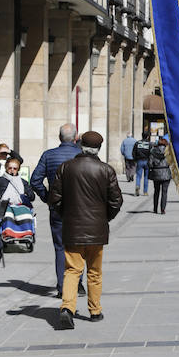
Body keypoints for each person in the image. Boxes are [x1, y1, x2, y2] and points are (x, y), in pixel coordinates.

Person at [48, 131, 123, 329]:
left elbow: (54, 199)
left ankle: (67, 308)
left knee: (72, 270)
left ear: (80, 145)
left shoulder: (66, 168)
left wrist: (66, 216)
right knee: (95, 272)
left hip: (72, 228)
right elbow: (116, 201)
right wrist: (104, 218)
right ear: (99, 148)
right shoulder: (106, 170)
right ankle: (95, 310)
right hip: (96, 230)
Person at [31, 124, 82, 298]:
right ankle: (78, 283)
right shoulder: (81, 156)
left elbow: (35, 181)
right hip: (79, 208)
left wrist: (47, 198)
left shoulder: (49, 155)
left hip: (58, 207)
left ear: (59, 137)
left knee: (60, 247)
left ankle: (62, 286)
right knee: (78, 245)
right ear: (75, 138)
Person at [0, 156, 36, 250]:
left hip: (19, 204)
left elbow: (32, 196)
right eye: (10, 168)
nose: (12, 170)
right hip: (4, 203)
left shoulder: (23, 182)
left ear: (18, 169)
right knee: (7, 214)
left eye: (14, 168)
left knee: (26, 213)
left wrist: (26, 195)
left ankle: (26, 234)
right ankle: (8, 234)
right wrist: (1, 196)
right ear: (6, 168)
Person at [148, 137, 172, 214]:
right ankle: (162, 209)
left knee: (156, 191)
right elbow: (171, 162)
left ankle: (155, 208)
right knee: (164, 192)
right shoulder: (168, 152)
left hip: (156, 173)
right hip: (166, 173)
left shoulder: (153, 151)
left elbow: (150, 164)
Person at [132, 130, 151, 196]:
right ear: (148, 137)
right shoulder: (149, 144)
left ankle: (137, 186)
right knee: (146, 177)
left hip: (139, 160)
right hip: (147, 161)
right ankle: (145, 192)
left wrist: (135, 159)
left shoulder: (137, 143)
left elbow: (133, 152)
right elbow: (151, 153)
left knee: (138, 176)